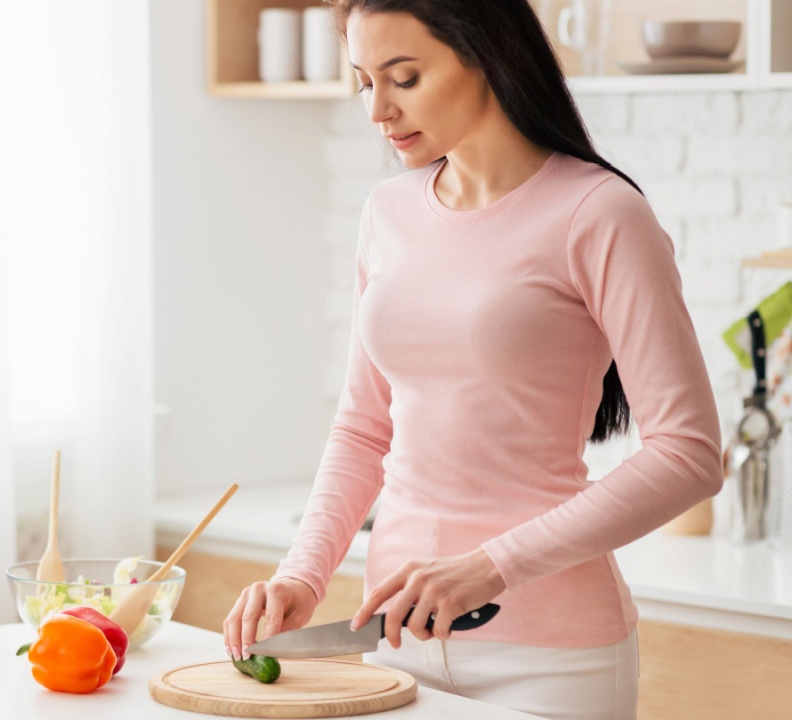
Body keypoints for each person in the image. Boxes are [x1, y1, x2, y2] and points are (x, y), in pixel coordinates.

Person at [221, 2, 723, 719]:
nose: (378, 110)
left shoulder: (601, 213)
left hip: (550, 660)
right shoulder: (388, 212)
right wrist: (302, 575)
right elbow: (366, 428)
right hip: (394, 641)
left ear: (486, 54)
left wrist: (491, 566)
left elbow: (690, 453)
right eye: (365, 82)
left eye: (405, 77)